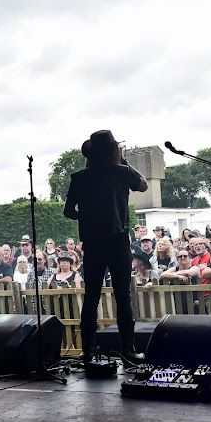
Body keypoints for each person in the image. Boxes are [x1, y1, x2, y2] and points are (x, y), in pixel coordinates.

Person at [64, 129, 148, 364]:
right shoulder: (122, 172)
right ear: (113, 150)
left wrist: (87, 217)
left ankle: (87, 352)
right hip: (118, 242)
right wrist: (124, 162)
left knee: (91, 297)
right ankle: (129, 350)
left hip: (92, 243)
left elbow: (68, 211)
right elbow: (142, 185)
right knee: (123, 297)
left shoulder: (79, 177)